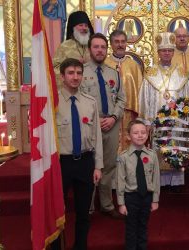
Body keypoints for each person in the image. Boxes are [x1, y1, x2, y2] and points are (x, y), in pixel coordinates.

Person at [52, 58, 103, 250]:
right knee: (58, 212)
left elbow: (97, 135)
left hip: (85, 162)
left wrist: (98, 165)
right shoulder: (53, 103)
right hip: (61, 164)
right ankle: (56, 246)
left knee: (83, 212)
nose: (75, 77)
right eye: (71, 73)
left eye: (79, 73)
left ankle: (80, 246)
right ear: (62, 76)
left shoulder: (90, 103)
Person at [138, 32, 189, 190]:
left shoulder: (181, 74)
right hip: (157, 122)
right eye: (163, 51)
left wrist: (187, 120)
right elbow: (145, 98)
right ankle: (160, 182)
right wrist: (146, 122)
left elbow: (188, 97)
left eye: (169, 50)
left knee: (176, 147)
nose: (166, 53)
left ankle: (175, 183)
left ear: (173, 52)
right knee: (159, 149)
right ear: (158, 53)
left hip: (177, 122)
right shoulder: (150, 74)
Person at [81, 33, 126, 219]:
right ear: (89, 49)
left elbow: (121, 99)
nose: (99, 50)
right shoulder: (81, 72)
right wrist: (93, 120)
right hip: (90, 126)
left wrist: (114, 117)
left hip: (111, 124)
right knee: (90, 166)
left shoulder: (113, 73)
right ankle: (89, 206)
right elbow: (77, 101)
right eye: (96, 47)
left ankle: (107, 204)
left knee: (108, 167)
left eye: (102, 47)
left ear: (106, 50)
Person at [116, 120, 160, 250]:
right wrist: (121, 203)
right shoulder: (123, 157)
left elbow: (156, 179)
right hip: (131, 198)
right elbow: (120, 181)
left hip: (146, 197)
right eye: (136, 133)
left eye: (143, 132)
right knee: (131, 229)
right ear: (128, 136)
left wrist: (155, 200)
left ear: (147, 135)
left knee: (143, 227)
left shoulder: (152, 155)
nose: (140, 135)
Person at [105, 30, 143, 151]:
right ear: (111, 44)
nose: (120, 45)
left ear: (126, 43)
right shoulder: (105, 63)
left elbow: (140, 89)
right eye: (116, 42)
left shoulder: (133, 65)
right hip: (109, 114)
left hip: (129, 113)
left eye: (122, 41)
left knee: (129, 143)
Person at [53, 11, 94, 88]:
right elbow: (55, 68)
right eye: (80, 25)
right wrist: (71, 66)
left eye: (86, 25)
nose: (84, 28)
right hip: (71, 89)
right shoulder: (64, 46)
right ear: (73, 28)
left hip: (91, 88)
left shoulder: (93, 45)